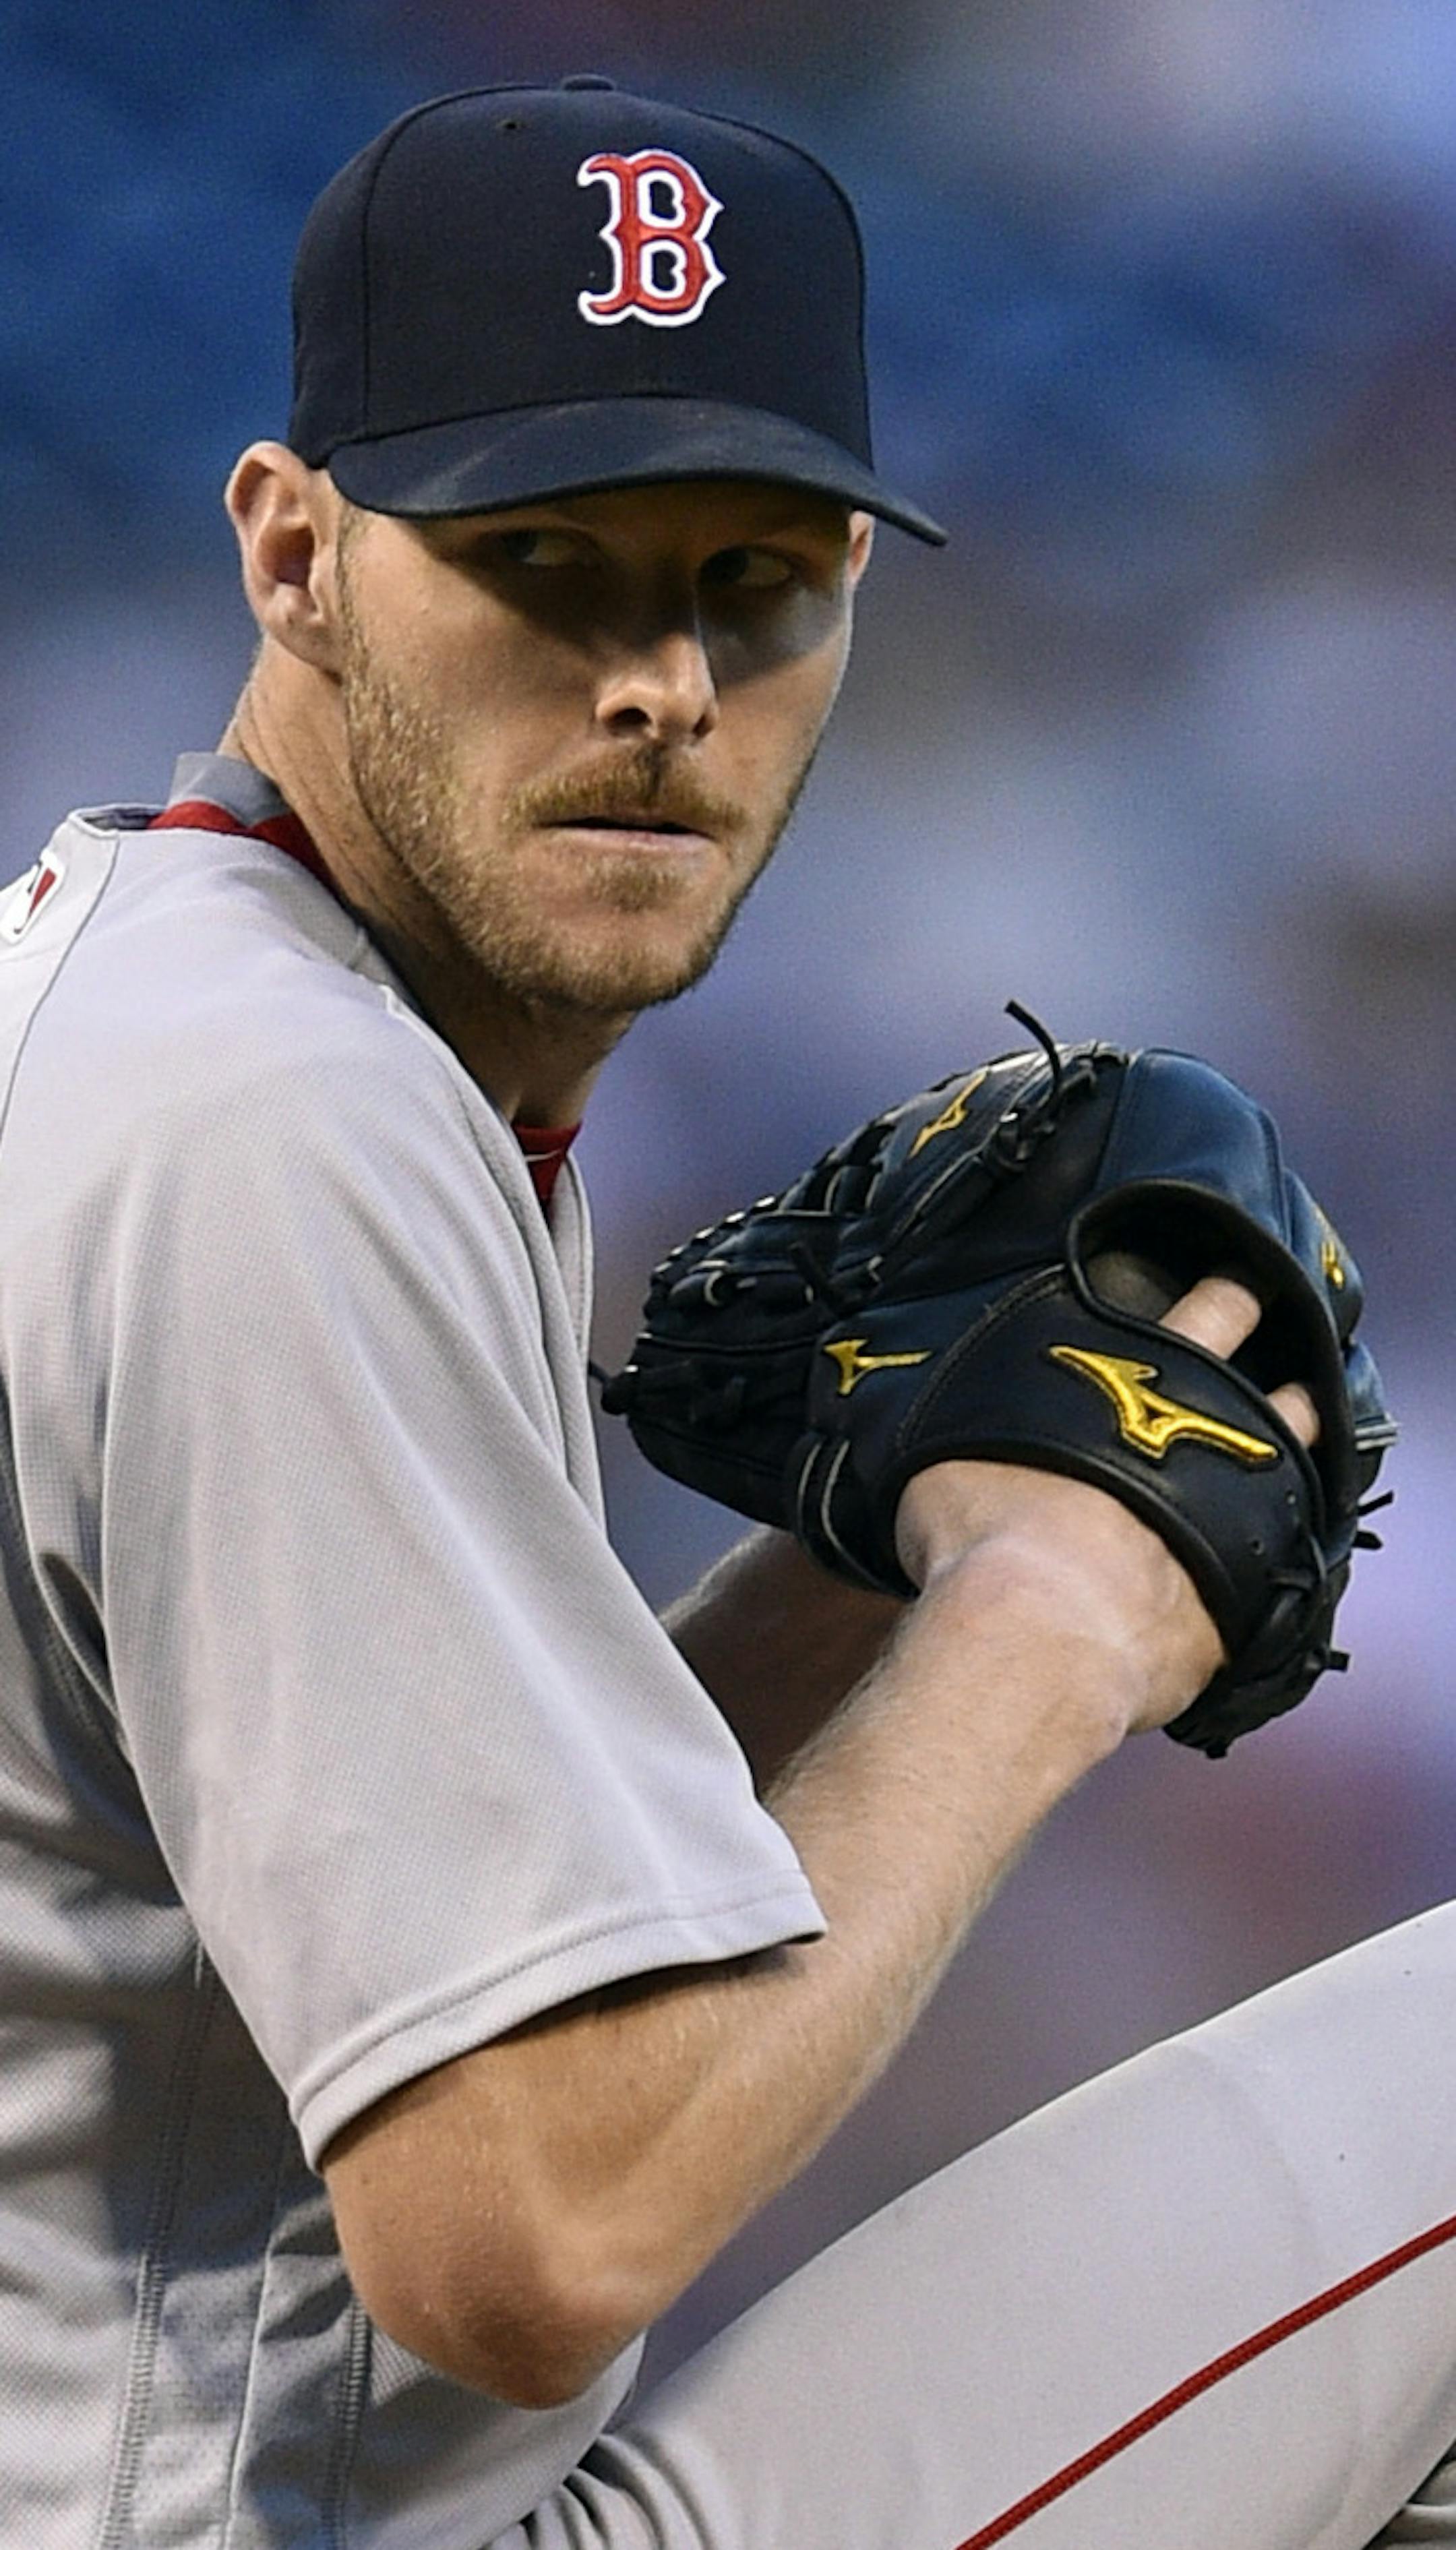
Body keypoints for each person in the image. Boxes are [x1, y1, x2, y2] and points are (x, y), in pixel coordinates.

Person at [1, 74, 1453, 2550]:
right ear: (293, 554)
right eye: (548, 558)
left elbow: (355, 1928)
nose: (662, 675)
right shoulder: (281, 1123)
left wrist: (854, 1577)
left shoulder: (190, 1001)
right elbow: (519, 2241)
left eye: (755, 580)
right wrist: (1050, 1628)